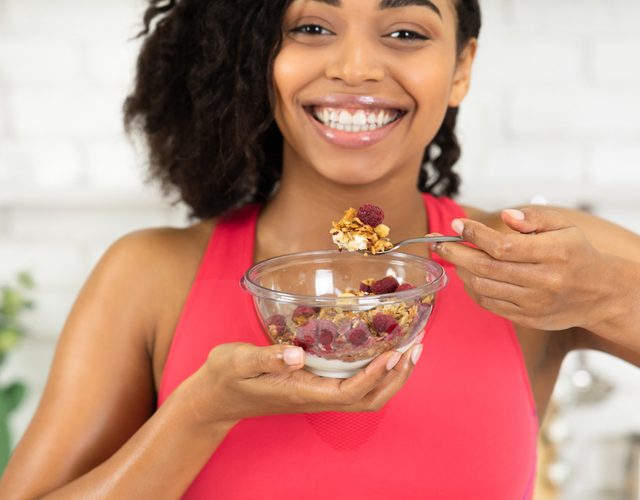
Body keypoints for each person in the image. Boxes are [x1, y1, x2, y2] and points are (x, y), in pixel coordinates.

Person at [1, 0, 639, 498]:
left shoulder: (534, 260)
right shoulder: (149, 276)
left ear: (461, 69)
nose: (355, 67)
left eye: (406, 32)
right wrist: (202, 412)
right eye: (311, 28)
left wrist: (609, 292)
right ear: (259, 58)